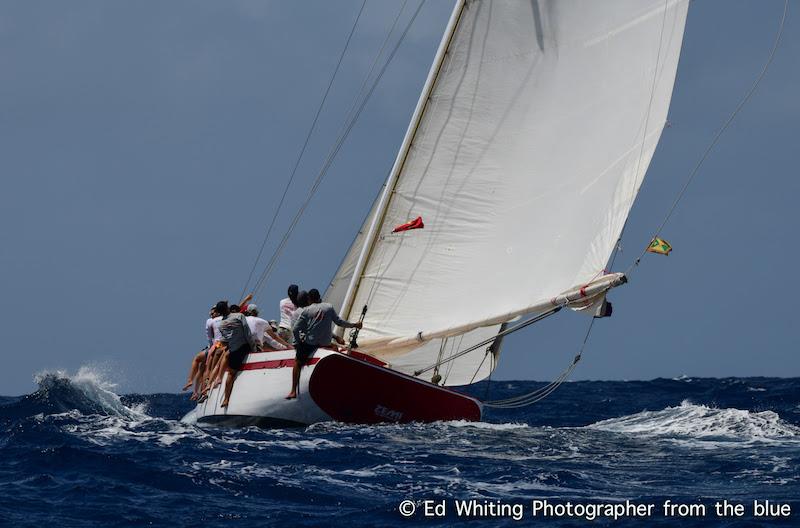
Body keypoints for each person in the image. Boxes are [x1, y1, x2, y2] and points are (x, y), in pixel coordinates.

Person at [287, 289, 362, 399]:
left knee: (297, 363)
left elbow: (295, 330)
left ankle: (293, 391)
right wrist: (354, 325)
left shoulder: (306, 311)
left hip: (310, 344)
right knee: (335, 347)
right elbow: (339, 322)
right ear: (319, 297)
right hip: (325, 343)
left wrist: (299, 342)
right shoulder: (329, 307)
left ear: (309, 299)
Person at [215, 302, 255, 408]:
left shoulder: (221, 325)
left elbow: (225, 340)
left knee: (231, 374)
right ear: (227, 308)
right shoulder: (239, 316)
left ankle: (226, 399)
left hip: (233, 350)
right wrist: (254, 348)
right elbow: (247, 333)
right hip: (244, 347)